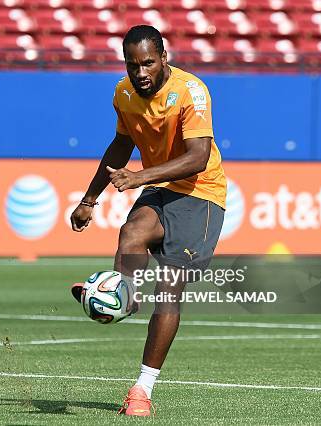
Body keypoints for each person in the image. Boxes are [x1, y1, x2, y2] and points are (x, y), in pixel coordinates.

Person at [69, 25, 226, 417]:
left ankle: (142, 389)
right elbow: (121, 144)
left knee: (169, 288)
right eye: (132, 64)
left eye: (147, 63)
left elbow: (198, 157)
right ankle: (123, 296)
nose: (140, 72)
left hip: (200, 193)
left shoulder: (191, 92)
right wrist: (90, 199)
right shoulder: (123, 93)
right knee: (131, 233)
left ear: (163, 58)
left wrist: (139, 177)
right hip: (161, 185)